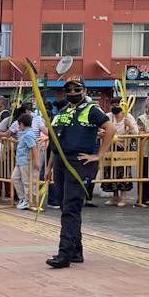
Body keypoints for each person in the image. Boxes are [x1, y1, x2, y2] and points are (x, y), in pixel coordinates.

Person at [45, 77, 113, 268]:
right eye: (69, 90)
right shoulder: (62, 111)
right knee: (66, 206)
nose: (73, 93)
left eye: (77, 89)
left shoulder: (91, 109)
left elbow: (110, 128)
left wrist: (98, 155)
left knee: (71, 206)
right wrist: (49, 166)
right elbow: (55, 141)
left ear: (84, 90)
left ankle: (64, 253)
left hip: (79, 161)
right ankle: (75, 251)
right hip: (60, 161)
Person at [105, 104, 139, 208]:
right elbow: (101, 130)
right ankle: (114, 196)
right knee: (111, 172)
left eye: (117, 104)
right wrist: (113, 140)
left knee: (123, 173)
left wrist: (130, 125)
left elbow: (136, 132)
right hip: (110, 148)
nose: (114, 106)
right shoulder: (108, 116)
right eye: (112, 104)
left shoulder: (128, 117)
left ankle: (123, 197)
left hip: (124, 149)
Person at [10, 110, 39, 210]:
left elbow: (33, 147)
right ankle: (23, 198)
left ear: (22, 124)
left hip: (25, 161)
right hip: (20, 161)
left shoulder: (28, 134)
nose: (18, 127)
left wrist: (36, 161)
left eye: (19, 125)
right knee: (15, 178)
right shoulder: (25, 134)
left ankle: (27, 200)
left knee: (26, 181)